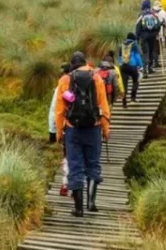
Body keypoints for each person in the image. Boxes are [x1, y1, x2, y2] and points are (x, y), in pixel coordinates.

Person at [54, 51, 111, 216]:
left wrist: (59, 133)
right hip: (94, 128)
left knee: (75, 166)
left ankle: (78, 208)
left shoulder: (65, 80)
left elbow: (59, 111)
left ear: (72, 64)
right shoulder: (97, 78)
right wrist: (106, 129)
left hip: (73, 129)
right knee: (93, 164)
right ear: (85, 63)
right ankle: (91, 203)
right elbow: (103, 106)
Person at [48, 63, 72, 195]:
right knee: (81, 158)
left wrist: (54, 132)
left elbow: (56, 110)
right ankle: (78, 188)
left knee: (67, 156)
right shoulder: (91, 79)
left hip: (68, 128)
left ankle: (65, 183)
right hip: (87, 129)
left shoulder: (62, 85)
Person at [135, 0, 162, 75]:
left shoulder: (141, 14)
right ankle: (150, 68)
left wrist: (137, 37)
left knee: (145, 52)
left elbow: (138, 26)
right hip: (153, 36)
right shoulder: (153, 13)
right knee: (151, 51)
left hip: (144, 37)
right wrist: (156, 33)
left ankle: (144, 70)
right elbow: (158, 25)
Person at [118, 33, 142, 107]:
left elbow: (119, 57)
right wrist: (140, 65)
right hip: (132, 66)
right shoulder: (134, 45)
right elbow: (137, 56)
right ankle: (132, 98)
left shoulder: (121, 45)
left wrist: (120, 65)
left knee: (124, 84)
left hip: (123, 66)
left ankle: (124, 103)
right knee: (135, 81)